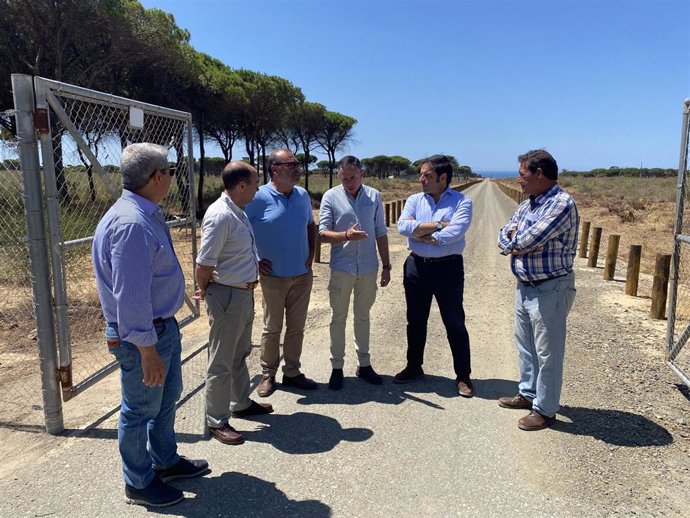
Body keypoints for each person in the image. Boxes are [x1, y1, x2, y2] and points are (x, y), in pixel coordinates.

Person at [92, 143, 208, 507]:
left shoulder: (144, 212)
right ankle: (139, 483)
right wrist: (147, 351)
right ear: (158, 176)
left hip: (160, 328)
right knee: (140, 410)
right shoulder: (131, 224)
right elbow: (131, 298)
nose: (171, 177)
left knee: (165, 400)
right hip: (144, 335)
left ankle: (166, 461)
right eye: (170, 171)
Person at [497, 149, 578, 431]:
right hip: (526, 286)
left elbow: (529, 236)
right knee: (526, 346)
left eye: (522, 175)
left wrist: (517, 241)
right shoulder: (529, 204)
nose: (519, 181)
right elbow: (505, 233)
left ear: (539, 174)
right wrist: (517, 243)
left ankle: (545, 409)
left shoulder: (560, 204)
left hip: (551, 288)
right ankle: (528, 393)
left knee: (548, 352)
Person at [194, 161, 273, 446]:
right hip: (226, 295)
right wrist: (204, 291)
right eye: (254, 183)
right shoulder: (220, 215)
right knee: (221, 361)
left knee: (239, 353)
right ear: (241, 185)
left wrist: (254, 264)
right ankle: (216, 419)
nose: (257, 188)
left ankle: (240, 402)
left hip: (242, 292)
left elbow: (232, 252)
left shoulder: (237, 211)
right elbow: (204, 263)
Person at [395, 154, 475, 397]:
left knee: (454, 322)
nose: (421, 179)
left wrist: (424, 232)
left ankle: (463, 376)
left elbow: (457, 231)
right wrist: (440, 225)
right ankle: (414, 366)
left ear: (443, 178)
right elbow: (402, 227)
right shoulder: (414, 200)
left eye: (427, 175)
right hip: (416, 267)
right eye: (421, 174)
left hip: (448, 268)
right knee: (415, 320)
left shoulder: (463, 201)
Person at [245, 149, 318, 396]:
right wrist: (254, 260)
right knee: (272, 327)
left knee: (297, 327)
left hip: (302, 275)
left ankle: (293, 372)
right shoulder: (257, 197)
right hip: (273, 277)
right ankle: (268, 374)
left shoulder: (302, 195)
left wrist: (311, 256)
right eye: (291, 164)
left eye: (297, 163)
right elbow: (240, 230)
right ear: (274, 169)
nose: (297, 168)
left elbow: (310, 225)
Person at [318, 156, 391, 390]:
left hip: (368, 268)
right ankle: (337, 367)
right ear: (339, 174)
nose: (349, 182)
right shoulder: (330, 196)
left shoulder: (374, 196)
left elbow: (381, 231)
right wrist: (346, 236)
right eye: (344, 177)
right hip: (342, 268)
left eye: (353, 177)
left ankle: (364, 365)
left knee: (363, 317)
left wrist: (387, 266)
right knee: (338, 318)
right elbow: (322, 234)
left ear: (361, 174)